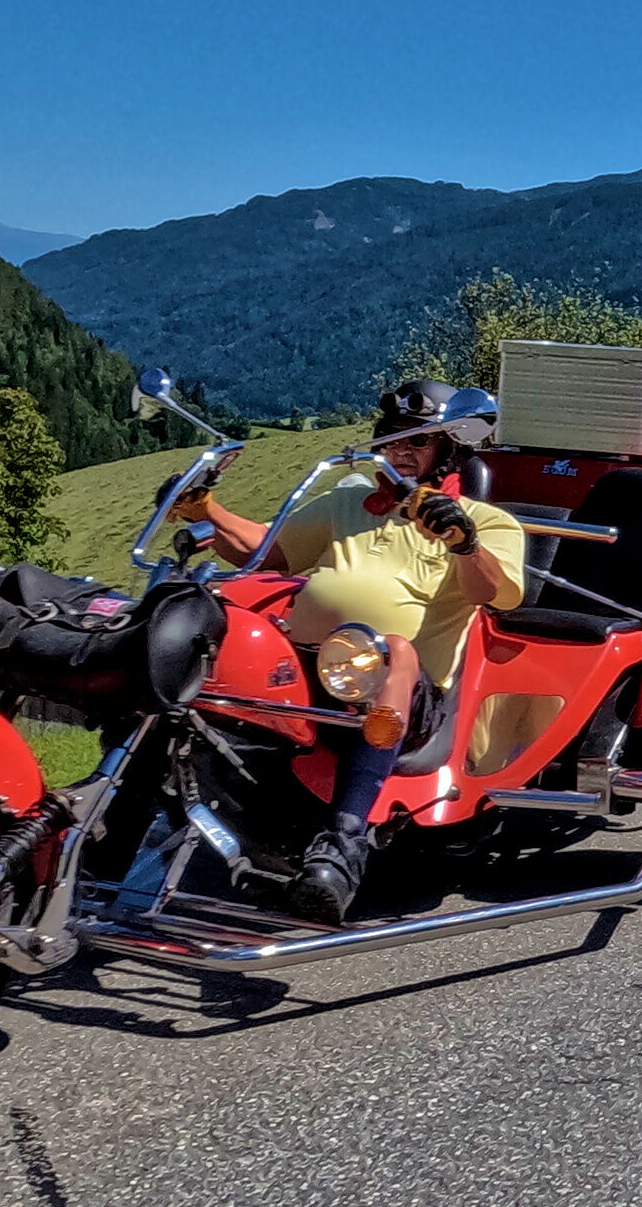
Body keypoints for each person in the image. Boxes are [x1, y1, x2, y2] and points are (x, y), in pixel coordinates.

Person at [178, 378, 527, 920]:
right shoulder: (346, 504)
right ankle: (129, 808)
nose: (402, 453)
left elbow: (496, 594)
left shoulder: (488, 523)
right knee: (207, 625)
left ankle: (344, 847)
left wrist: (464, 542)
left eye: (417, 442)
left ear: (448, 450)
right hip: (309, 667)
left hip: (407, 692)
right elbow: (266, 552)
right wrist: (205, 509)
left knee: (393, 649)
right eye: (392, 440)